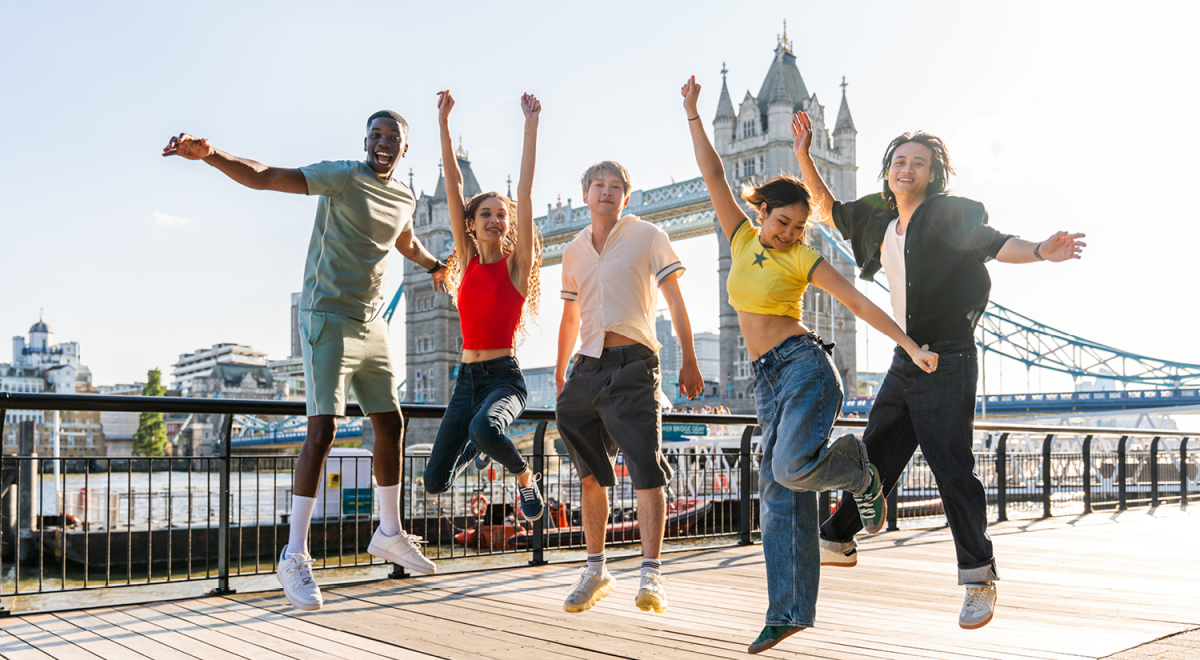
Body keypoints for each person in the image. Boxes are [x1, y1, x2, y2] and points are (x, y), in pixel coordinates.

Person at [793, 111, 1086, 630]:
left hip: (947, 356)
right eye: (899, 162)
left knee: (950, 468)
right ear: (887, 172)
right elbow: (829, 209)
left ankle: (978, 577)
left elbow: (996, 244)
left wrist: (1041, 251)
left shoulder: (952, 214)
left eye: (918, 163)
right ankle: (839, 535)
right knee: (874, 455)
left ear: (933, 174)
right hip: (905, 356)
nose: (907, 169)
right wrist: (802, 156)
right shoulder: (880, 219)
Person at [681, 76, 938, 654]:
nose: (789, 233)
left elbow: (857, 302)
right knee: (779, 495)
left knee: (793, 471)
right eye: (781, 223)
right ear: (763, 213)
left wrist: (909, 344)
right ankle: (789, 610)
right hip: (768, 381)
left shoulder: (804, 257)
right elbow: (715, 175)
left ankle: (858, 471)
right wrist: (694, 114)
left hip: (805, 368)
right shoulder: (742, 237)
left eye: (799, 227)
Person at [161, 110, 447, 612]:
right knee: (323, 431)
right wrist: (211, 155)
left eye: (393, 138)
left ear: (405, 149)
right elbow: (266, 176)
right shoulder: (341, 176)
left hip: (371, 323)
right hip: (326, 317)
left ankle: (389, 532)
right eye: (376, 135)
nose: (383, 143)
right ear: (365, 141)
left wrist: (434, 265)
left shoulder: (404, 197)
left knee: (391, 424)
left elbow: (404, 239)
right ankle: (294, 555)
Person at [554, 159, 704, 616]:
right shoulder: (573, 251)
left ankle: (651, 574)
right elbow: (570, 317)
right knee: (590, 476)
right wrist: (562, 375)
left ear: (626, 195)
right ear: (585, 195)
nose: (606, 191)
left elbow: (675, 299)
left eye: (615, 186)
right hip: (585, 370)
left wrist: (689, 360)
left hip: (634, 364)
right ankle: (596, 569)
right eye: (597, 185)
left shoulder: (648, 236)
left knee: (645, 468)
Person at [422, 90, 545, 522]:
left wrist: (530, 126)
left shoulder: (516, 267)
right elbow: (454, 187)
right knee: (434, 481)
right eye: (485, 214)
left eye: (501, 214)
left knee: (484, 427)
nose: (495, 219)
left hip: (503, 380)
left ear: (508, 223)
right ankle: (481, 446)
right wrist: (443, 125)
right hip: (465, 381)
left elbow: (526, 193)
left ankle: (525, 477)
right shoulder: (466, 260)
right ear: (471, 226)